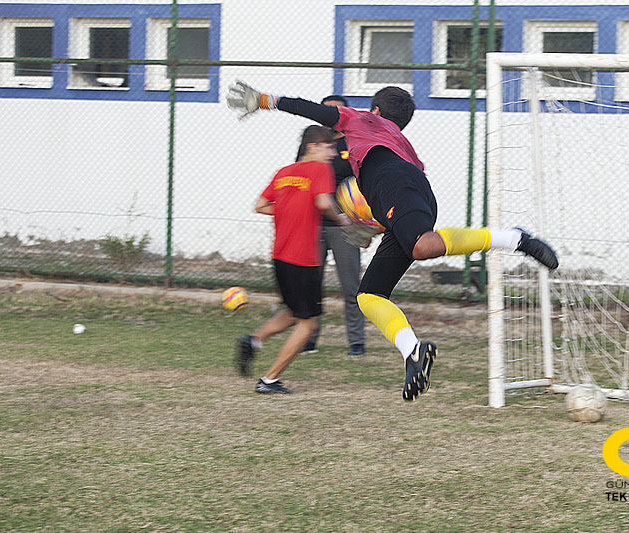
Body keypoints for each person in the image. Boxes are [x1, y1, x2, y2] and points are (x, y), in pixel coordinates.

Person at [227, 81, 559, 401]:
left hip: (396, 186)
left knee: (422, 246)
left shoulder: (363, 119)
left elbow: (317, 111)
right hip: (407, 196)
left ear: (374, 109)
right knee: (369, 296)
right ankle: (413, 352)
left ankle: (515, 239)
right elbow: (395, 190)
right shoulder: (401, 142)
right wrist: (376, 225)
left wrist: (265, 100)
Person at [238, 125, 347, 394]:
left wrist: (289, 210)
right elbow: (323, 203)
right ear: (312, 147)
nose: (333, 153)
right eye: (328, 147)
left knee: (293, 312)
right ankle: (269, 380)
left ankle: (253, 340)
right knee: (309, 323)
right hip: (303, 258)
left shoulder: (284, 172)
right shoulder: (320, 170)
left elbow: (261, 206)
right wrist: (343, 219)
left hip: (280, 256)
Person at [300, 95, 366, 358]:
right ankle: (308, 339)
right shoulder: (311, 145)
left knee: (351, 287)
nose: (327, 116)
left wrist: (364, 225)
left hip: (344, 227)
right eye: (323, 111)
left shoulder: (353, 143)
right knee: (311, 285)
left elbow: (364, 183)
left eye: (334, 111)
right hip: (314, 225)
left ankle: (357, 343)